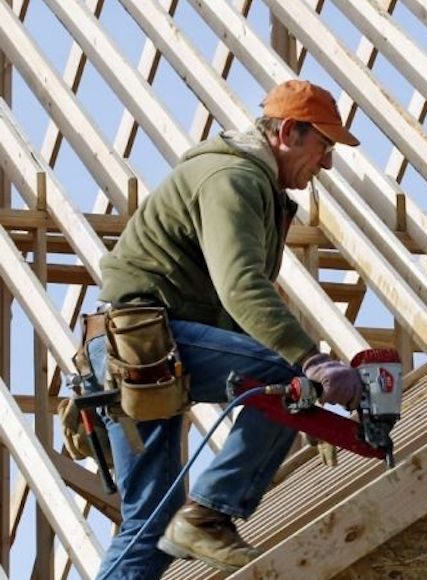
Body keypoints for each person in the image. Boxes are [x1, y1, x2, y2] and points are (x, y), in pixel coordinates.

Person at [85, 80, 364, 578]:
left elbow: (235, 310)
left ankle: (199, 517)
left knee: (150, 523)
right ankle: (210, 515)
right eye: (323, 145)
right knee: (285, 376)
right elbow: (241, 289)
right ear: (287, 132)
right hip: (142, 338)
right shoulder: (233, 179)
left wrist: (307, 411)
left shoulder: (245, 179)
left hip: (131, 349)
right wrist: (310, 370)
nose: (327, 163)